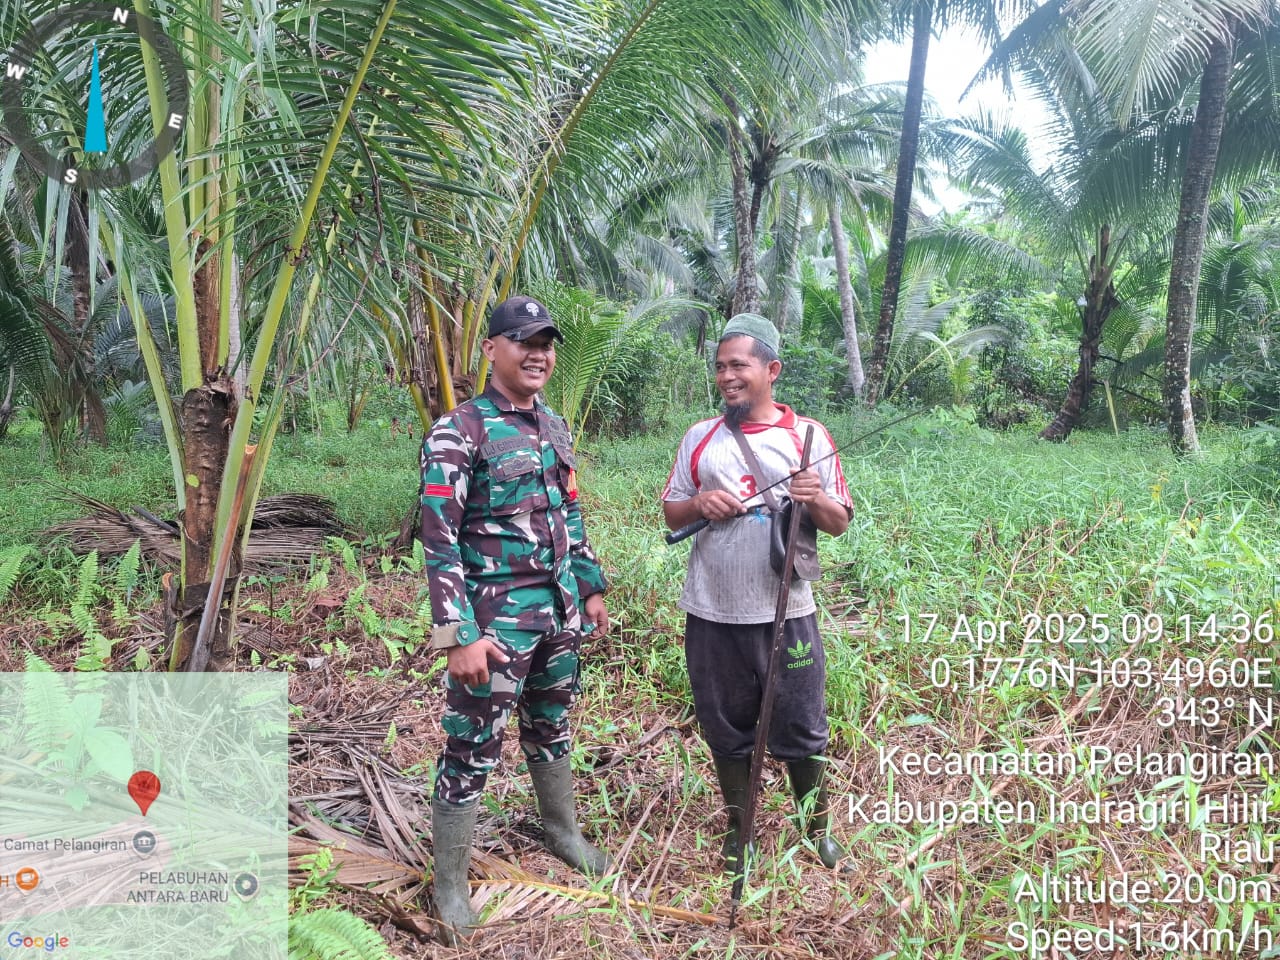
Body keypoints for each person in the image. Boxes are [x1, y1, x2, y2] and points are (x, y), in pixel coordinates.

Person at [419, 295, 612, 944]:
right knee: (471, 748)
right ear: (491, 349)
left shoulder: (553, 426)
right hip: (493, 629)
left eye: (547, 344)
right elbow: (438, 541)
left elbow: (570, 512)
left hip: (557, 615)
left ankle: (559, 829)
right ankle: (448, 882)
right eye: (524, 341)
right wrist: (457, 635)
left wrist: (589, 587)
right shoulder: (459, 432)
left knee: (550, 725)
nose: (539, 354)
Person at [661, 313, 853, 873]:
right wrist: (700, 505)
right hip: (712, 611)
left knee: (801, 722)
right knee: (724, 724)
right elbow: (671, 510)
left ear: (771, 370)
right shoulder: (699, 437)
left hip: (787, 610)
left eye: (738, 365)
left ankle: (815, 830)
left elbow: (838, 522)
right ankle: (739, 833)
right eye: (720, 367)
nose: (726, 377)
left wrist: (814, 496)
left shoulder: (809, 437)